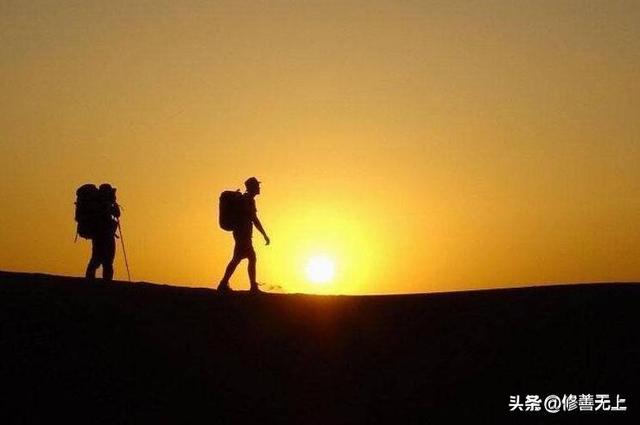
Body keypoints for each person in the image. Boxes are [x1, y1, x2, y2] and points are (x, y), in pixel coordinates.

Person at [218, 177, 270, 293]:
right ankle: (252, 287)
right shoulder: (247, 200)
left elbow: (252, 219)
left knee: (238, 259)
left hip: (242, 234)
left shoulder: (246, 200)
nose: (259, 187)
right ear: (252, 187)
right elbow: (254, 219)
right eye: (257, 185)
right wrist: (264, 234)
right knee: (250, 257)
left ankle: (224, 283)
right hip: (242, 234)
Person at [85, 183, 120, 282]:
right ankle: (98, 281)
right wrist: (111, 205)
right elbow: (115, 214)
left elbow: (117, 214)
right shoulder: (100, 205)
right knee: (100, 259)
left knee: (102, 259)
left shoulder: (104, 203)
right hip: (103, 235)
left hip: (104, 235)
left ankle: (95, 280)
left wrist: (113, 204)